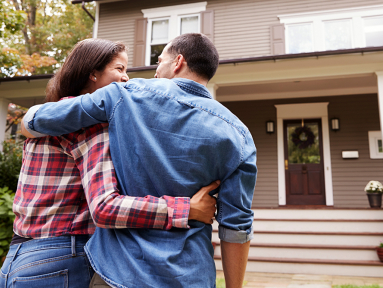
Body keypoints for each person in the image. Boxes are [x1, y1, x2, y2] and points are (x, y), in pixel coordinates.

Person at [22, 33, 257, 288]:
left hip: (119, 273)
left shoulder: (124, 95)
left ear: (177, 62)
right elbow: (236, 226)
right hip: (190, 276)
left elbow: (39, 120)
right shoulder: (239, 135)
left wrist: (28, 122)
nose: (155, 72)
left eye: (159, 62)